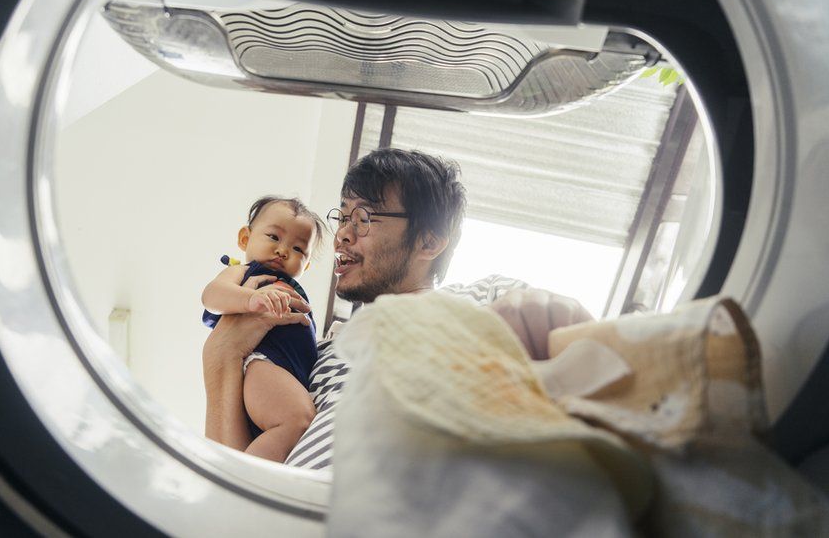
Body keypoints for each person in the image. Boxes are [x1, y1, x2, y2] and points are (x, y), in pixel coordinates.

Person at [202, 148, 593, 469]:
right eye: (343, 215)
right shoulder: (311, 356)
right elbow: (231, 478)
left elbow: (581, 348)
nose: (341, 234)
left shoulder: (485, 297)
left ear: (429, 242)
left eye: (365, 217)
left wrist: (546, 324)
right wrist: (220, 354)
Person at [201, 196, 327, 462]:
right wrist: (250, 300)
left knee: (291, 428)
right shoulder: (244, 272)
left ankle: (249, 468)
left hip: (288, 372)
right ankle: (247, 479)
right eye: (273, 237)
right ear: (245, 238)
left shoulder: (290, 287)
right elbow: (211, 296)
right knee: (296, 420)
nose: (283, 251)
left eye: (298, 249)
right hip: (261, 363)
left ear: (306, 265)